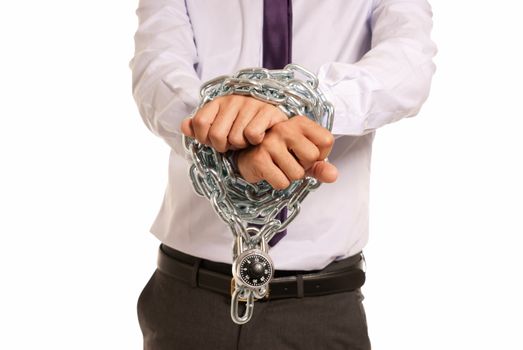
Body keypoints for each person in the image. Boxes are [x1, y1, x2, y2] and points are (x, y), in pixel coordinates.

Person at [129, 0, 436, 349]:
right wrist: (233, 133)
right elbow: (157, 75)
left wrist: (293, 105)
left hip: (321, 308)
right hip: (188, 301)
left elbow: (408, 65)